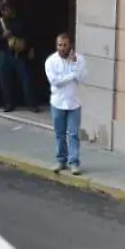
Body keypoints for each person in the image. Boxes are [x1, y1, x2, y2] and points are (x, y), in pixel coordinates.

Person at [44, 33, 86, 176]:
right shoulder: (51, 61)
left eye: (64, 45)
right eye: (59, 45)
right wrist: (73, 75)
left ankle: (74, 162)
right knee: (59, 134)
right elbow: (56, 82)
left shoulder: (79, 60)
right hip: (57, 102)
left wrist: (74, 65)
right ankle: (61, 160)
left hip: (74, 102)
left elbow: (83, 78)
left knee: (74, 134)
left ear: (70, 46)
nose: (62, 48)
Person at [0, 0, 33, 113]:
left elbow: (28, 35)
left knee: (26, 79)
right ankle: (8, 104)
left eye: (8, 9)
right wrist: (3, 37)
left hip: (19, 54)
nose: (6, 11)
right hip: (5, 53)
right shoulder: (0, 23)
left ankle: (31, 103)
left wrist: (28, 47)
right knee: (5, 81)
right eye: (4, 9)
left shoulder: (20, 21)